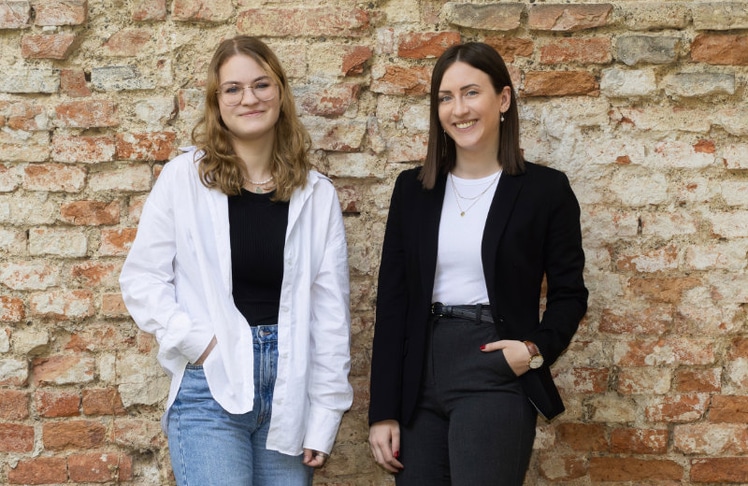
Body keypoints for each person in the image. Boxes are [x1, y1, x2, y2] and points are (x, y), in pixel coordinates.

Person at [119, 35, 352, 485]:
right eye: (233, 89)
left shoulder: (316, 194)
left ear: (281, 94)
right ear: (217, 101)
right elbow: (142, 279)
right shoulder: (184, 179)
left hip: (289, 396)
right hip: (211, 393)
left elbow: (331, 315)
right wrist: (198, 343)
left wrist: (324, 415)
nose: (250, 98)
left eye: (262, 85)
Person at [368, 42, 588, 485]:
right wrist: (383, 411)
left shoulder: (545, 190)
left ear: (502, 99)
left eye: (471, 93)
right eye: (445, 97)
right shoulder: (413, 190)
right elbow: (393, 304)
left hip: (492, 366)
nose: (458, 109)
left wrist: (533, 350)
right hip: (418, 373)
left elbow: (570, 293)